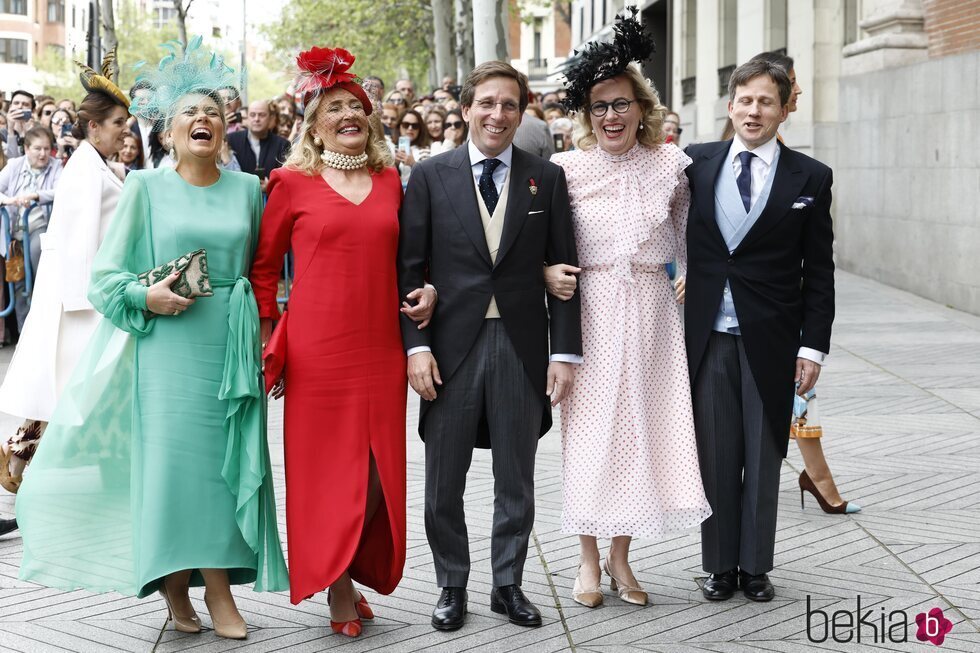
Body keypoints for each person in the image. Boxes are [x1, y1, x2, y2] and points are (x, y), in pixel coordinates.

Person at [16, 38, 288, 639]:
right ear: (167, 131)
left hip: (228, 348)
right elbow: (107, 278)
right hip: (166, 349)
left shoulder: (248, 192)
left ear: (225, 130)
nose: (204, 120)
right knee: (172, 469)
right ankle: (175, 583)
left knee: (222, 468)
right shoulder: (144, 188)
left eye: (214, 113)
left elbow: (263, 274)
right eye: (191, 112)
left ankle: (219, 588)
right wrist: (149, 297)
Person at [250, 45, 434, 638]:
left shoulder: (389, 181)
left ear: (372, 117)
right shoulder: (292, 182)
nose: (347, 114)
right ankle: (335, 584)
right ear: (314, 123)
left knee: (379, 471)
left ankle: (350, 565)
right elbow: (263, 268)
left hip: (380, 345)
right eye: (333, 108)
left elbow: (411, 261)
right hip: (316, 350)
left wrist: (425, 293)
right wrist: (268, 335)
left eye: (356, 106)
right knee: (326, 470)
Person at [397, 60, 582, 632]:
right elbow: (407, 269)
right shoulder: (431, 176)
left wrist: (564, 353)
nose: (497, 114)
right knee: (442, 480)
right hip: (452, 347)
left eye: (508, 104)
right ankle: (452, 584)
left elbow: (566, 269)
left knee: (516, 479)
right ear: (466, 108)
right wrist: (416, 348)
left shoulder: (544, 178)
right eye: (486, 103)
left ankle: (508, 584)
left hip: (522, 345)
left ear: (522, 111)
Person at [543, 8, 712, 609]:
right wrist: (544, 273)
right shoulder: (565, 169)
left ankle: (622, 556)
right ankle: (587, 559)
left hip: (652, 315)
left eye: (620, 104)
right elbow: (539, 245)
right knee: (588, 437)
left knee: (642, 437)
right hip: (587, 315)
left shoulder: (673, 165)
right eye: (599, 107)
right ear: (587, 116)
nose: (610, 116)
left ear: (642, 107)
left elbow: (696, 238)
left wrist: (691, 281)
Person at [683, 59, 835, 602]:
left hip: (773, 339)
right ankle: (719, 566)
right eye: (745, 100)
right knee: (716, 455)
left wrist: (812, 346)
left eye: (766, 102)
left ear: (784, 108)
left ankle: (756, 567)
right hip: (706, 338)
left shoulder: (810, 177)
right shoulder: (694, 164)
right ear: (730, 105)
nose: (754, 111)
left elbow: (818, 271)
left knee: (764, 453)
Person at [0, 57, 129, 500]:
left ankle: (19, 456)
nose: (123, 132)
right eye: (116, 123)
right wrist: (88, 303)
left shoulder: (93, 165)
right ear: (93, 127)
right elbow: (78, 241)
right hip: (80, 301)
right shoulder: (84, 169)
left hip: (84, 296)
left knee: (69, 390)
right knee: (70, 387)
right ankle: (19, 456)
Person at [748, 50, 859, 515]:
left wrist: (813, 341)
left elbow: (818, 264)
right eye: (793, 82)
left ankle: (818, 478)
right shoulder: (728, 153)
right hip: (746, 314)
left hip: (784, 310)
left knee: (800, 394)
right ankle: (818, 479)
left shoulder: (803, 169)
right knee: (795, 399)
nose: (799, 92)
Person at [0, 127, 63, 330]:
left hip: (39, 227)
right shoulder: (14, 165)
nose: (43, 153)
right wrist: (10, 200)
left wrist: (36, 196)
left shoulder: (55, 166)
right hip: (13, 232)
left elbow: (61, 190)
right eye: (37, 148)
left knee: (38, 265)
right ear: (26, 148)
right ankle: (22, 332)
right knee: (17, 281)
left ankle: (44, 326)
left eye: (46, 148)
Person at [227, 100, 290, 191]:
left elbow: (286, 179)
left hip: (270, 200)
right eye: (252, 115)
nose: (256, 119)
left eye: (262, 115)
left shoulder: (282, 144)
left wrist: (272, 186)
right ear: (247, 117)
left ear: (270, 118)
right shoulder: (232, 140)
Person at [393, 109, 431, 188]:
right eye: (406, 125)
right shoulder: (389, 147)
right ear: (399, 126)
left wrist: (413, 164)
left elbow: (429, 178)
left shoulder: (426, 151)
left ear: (420, 129)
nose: (410, 128)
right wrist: (395, 164)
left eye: (415, 126)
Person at [4, 90, 36, 158]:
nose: (20, 106)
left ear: (33, 110)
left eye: (25, 104)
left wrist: (27, 134)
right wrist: (10, 130)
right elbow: (12, 160)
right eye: (16, 103)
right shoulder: (2, 134)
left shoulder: (38, 133)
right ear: (10, 107)